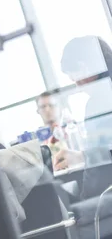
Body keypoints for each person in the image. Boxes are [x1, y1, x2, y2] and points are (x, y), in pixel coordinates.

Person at [56, 36, 112, 198]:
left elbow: (99, 172)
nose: (78, 87)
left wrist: (83, 205)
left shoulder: (99, 103)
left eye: (76, 80)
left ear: (85, 69)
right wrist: (82, 156)